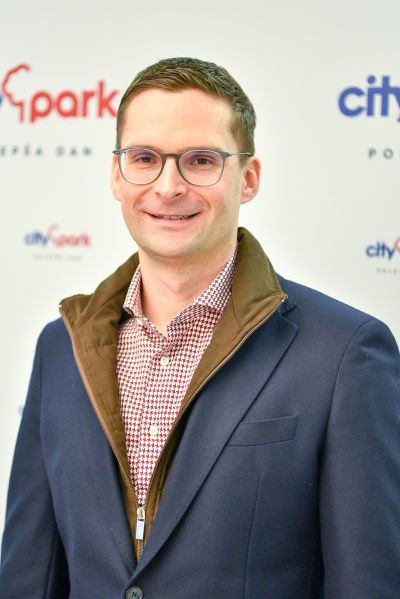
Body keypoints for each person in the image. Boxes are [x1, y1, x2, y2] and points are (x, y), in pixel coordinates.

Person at [0, 57, 399, 599]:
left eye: (201, 160)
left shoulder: (344, 354)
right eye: (145, 158)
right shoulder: (60, 347)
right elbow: (29, 574)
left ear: (248, 179)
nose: (168, 187)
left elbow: (367, 584)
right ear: (116, 175)